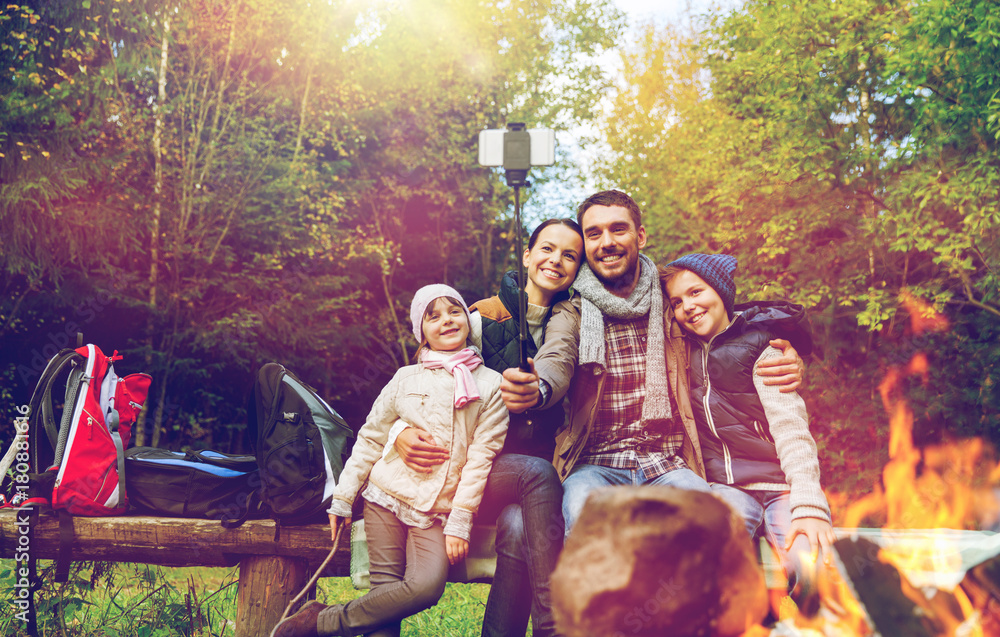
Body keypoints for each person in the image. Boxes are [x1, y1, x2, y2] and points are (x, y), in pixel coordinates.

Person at [499, 190, 806, 536]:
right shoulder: (573, 312)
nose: (607, 242)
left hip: (668, 463)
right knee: (584, 521)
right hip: (595, 463)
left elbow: (725, 320)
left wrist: (784, 347)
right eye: (594, 233)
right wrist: (539, 387)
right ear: (585, 244)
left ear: (640, 236)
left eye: (619, 229)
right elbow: (557, 357)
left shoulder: (670, 299)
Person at [271, 284, 508, 637]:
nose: (447, 320)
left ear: (468, 320)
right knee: (384, 598)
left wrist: (459, 522)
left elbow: (481, 458)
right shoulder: (404, 378)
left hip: (436, 511)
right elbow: (370, 437)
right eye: (434, 316)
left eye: (455, 311)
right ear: (422, 332)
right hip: (386, 497)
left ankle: (320, 620)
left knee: (426, 586)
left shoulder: (491, 385)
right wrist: (343, 497)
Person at [391, 219, 584, 637]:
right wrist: (399, 434)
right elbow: (415, 388)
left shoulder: (576, 325)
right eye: (547, 249)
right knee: (534, 477)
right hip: (476, 472)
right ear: (528, 256)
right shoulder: (479, 318)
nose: (556, 260)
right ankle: (555, 625)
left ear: (578, 268)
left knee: (516, 526)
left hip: (539, 485)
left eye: (570, 255)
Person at [661, 253, 834, 606]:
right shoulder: (680, 353)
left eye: (696, 292)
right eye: (677, 302)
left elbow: (792, 429)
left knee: (812, 567)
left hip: (779, 485)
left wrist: (809, 505)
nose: (688, 307)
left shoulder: (763, 349)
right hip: (725, 488)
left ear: (722, 292)